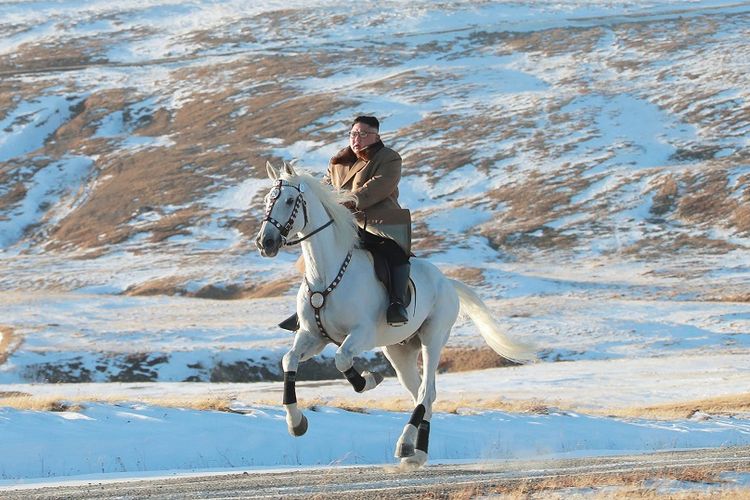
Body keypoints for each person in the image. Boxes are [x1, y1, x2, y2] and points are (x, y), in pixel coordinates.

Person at [278, 115, 411, 331]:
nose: (356, 138)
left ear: (376, 136)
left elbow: (377, 187)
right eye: (353, 134)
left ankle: (396, 304)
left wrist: (348, 201)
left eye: (362, 134)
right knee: (314, 257)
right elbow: (325, 188)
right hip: (344, 224)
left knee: (394, 254)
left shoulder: (389, 158)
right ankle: (308, 308)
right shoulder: (338, 161)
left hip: (378, 223)